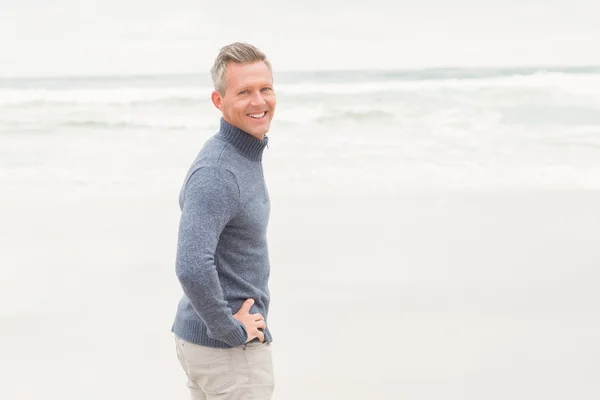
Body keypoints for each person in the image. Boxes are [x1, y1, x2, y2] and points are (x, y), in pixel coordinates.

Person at [171, 42, 277, 400]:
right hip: (228, 355)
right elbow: (190, 266)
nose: (259, 101)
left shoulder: (240, 155)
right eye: (244, 92)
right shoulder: (219, 171)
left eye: (265, 89)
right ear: (219, 101)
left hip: (211, 346)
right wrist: (229, 329)